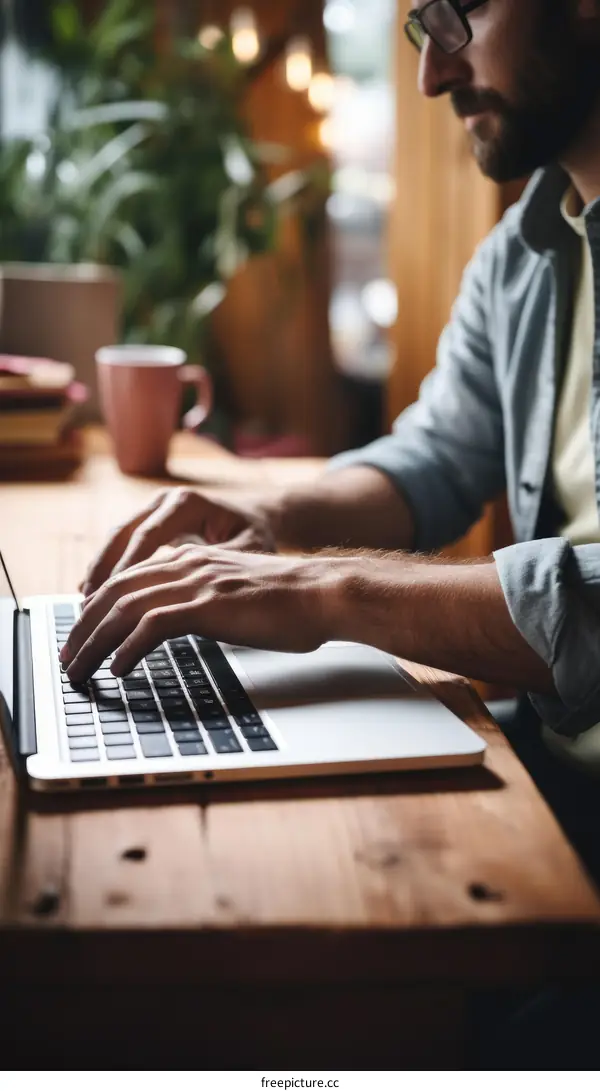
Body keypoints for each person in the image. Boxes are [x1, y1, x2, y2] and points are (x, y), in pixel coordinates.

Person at [63, 0, 600, 864]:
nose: (434, 76)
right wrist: (272, 525)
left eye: (462, 13)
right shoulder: (525, 250)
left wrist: (325, 590)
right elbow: (435, 455)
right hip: (552, 764)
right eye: (423, 31)